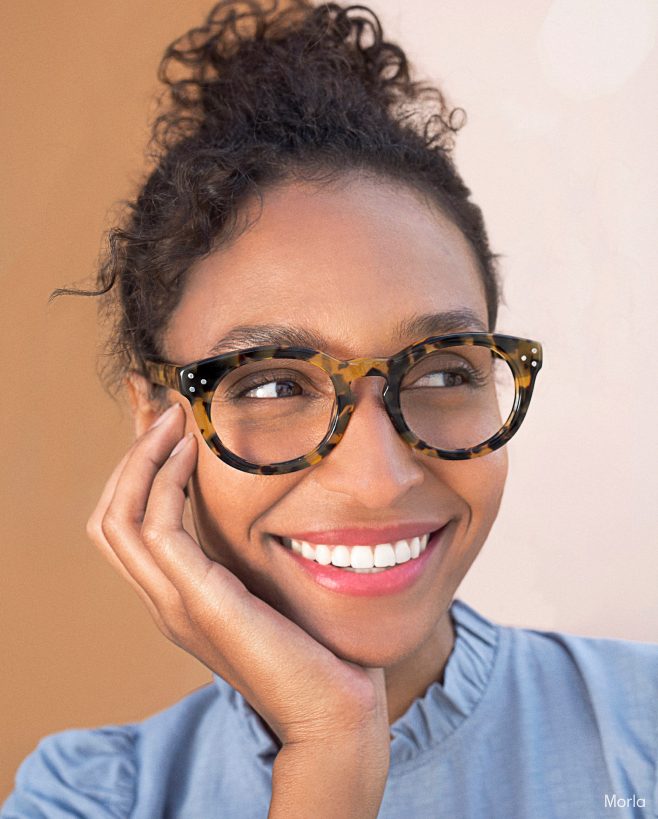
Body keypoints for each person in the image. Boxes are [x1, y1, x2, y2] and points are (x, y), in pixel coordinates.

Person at [3, 1, 657, 817]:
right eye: (273, 384)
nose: (378, 478)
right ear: (157, 426)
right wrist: (329, 743)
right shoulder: (93, 797)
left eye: (445, 371)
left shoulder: (646, 733)